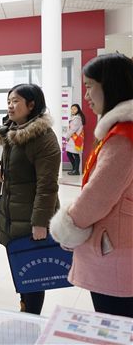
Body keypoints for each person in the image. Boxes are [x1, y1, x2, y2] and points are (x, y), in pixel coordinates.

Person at [50, 53, 133, 318]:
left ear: (111, 85)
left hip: (116, 254)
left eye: (89, 86)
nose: (86, 96)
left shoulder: (122, 138)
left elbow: (97, 198)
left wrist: (67, 226)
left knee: (116, 325)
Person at [0, 83, 60, 315]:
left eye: (16, 101)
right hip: (12, 215)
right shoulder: (12, 131)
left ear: (31, 105)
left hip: (31, 219)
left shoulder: (42, 137)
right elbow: (12, 164)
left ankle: (32, 318)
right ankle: (25, 312)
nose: (10, 106)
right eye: (9, 101)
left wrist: (40, 222)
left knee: (33, 276)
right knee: (21, 269)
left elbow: (47, 185)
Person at [65, 104, 86, 175]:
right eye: (72, 109)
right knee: (70, 153)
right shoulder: (75, 117)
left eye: (74, 109)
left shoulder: (77, 118)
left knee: (75, 154)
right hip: (73, 139)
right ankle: (75, 169)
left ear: (78, 110)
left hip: (76, 139)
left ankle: (76, 170)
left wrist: (67, 136)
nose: (73, 110)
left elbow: (73, 129)